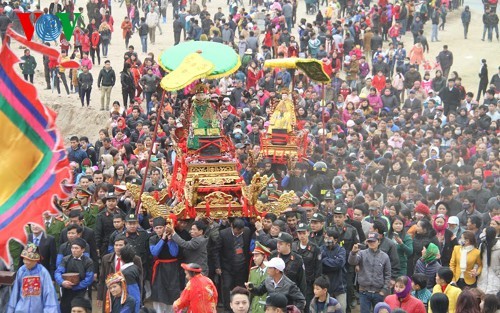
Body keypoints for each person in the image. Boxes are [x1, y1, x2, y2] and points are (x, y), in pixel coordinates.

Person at [6, 243, 59, 313]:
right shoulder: (21, 271)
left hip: (38, 309)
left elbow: (49, 294)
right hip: (21, 309)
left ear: (36, 260)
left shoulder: (43, 272)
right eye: (25, 259)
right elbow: (15, 292)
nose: (26, 262)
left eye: (29, 260)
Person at [348, 232, 391, 312]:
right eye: (369, 241)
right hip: (364, 291)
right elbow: (352, 262)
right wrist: (353, 252)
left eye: (374, 241)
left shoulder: (385, 256)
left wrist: (384, 290)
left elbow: (388, 274)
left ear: (379, 242)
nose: (371, 243)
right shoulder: (361, 253)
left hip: (379, 292)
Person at [149, 216, 180, 313]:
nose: (158, 230)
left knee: (172, 291)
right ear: (153, 229)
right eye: (156, 228)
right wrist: (162, 239)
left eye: (160, 228)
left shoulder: (173, 237)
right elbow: (154, 252)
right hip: (160, 268)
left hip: (172, 267)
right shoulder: (153, 238)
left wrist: (169, 240)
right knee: (159, 292)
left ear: (165, 227)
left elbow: (174, 253)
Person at [55, 237, 94, 313]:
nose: (74, 250)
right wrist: (62, 282)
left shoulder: (88, 262)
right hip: (66, 290)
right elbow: (58, 272)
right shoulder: (65, 259)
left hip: (81, 291)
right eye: (72, 248)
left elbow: (89, 278)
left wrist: (76, 286)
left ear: (82, 250)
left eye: (76, 248)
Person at [187, 83, 221, 150]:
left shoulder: (209, 101)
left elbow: (212, 112)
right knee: (198, 126)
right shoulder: (194, 103)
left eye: (202, 95)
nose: (200, 97)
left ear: (205, 95)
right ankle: (196, 146)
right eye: (198, 95)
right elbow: (192, 112)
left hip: (208, 117)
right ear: (196, 95)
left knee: (213, 125)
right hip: (197, 117)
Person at [248, 242, 272, 313]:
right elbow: (250, 294)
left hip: (267, 309)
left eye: (256, 256)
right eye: (253, 256)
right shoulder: (253, 271)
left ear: (264, 257)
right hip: (254, 309)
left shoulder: (272, 272)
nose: (254, 258)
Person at [476, 227, 500, 295]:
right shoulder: (482, 245)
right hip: (483, 279)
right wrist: (476, 270)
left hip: (495, 280)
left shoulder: (498, 247)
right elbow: (478, 262)